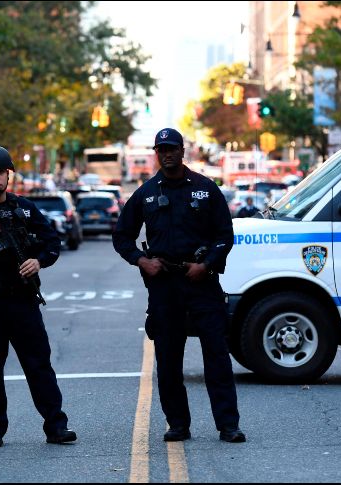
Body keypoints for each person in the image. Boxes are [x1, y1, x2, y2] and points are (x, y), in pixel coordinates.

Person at [112, 128, 245, 444]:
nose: (167, 154)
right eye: (162, 149)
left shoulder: (205, 189)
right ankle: (178, 424)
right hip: (164, 287)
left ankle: (228, 425)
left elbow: (224, 235)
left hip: (201, 283)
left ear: (183, 151)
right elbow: (121, 236)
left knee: (217, 356)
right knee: (168, 360)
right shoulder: (145, 193)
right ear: (156, 154)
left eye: (172, 148)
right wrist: (141, 261)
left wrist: (207, 264)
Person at [0, 146, 76, 448]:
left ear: (8, 176)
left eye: (1, 172)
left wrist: (39, 261)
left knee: (38, 364)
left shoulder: (25, 208)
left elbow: (52, 242)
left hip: (22, 299)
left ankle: (56, 426)